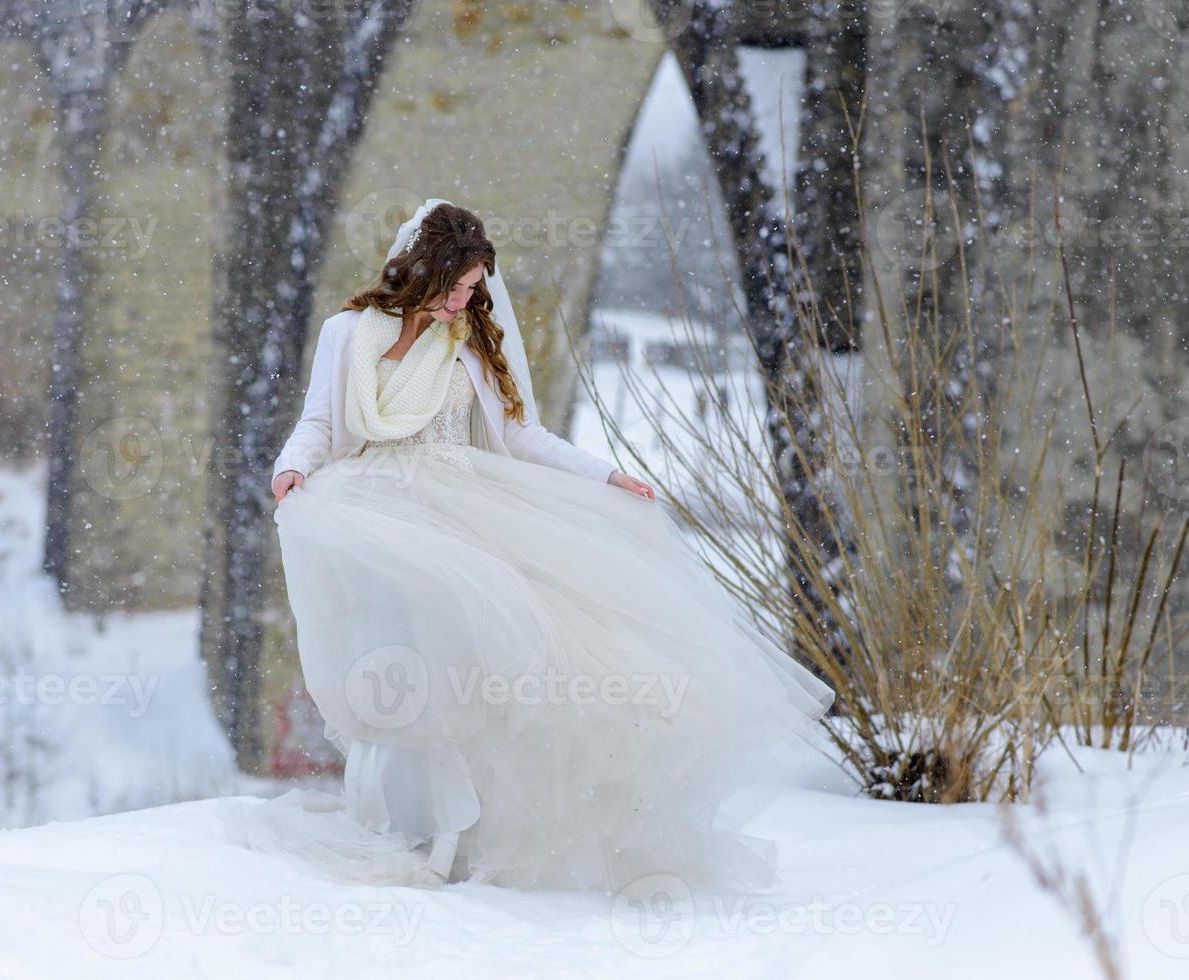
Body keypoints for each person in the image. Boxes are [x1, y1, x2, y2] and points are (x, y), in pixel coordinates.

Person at [261, 198, 833, 892]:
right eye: (460, 286)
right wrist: (292, 467)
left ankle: (465, 831)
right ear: (423, 271)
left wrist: (606, 472)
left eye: (476, 288)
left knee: (483, 654)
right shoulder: (347, 333)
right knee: (396, 669)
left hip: (456, 507)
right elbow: (319, 421)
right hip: (372, 513)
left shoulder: (465, 345)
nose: (469, 300)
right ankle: (402, 825)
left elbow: (522, 434)